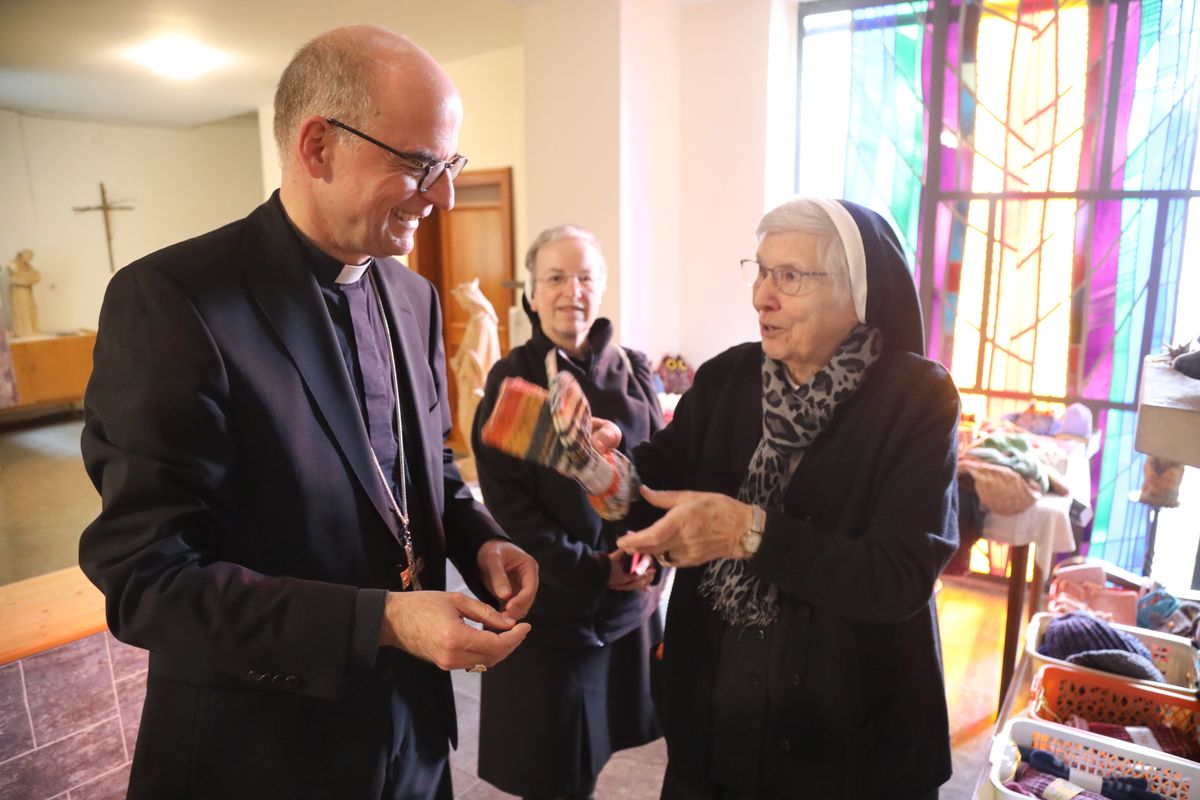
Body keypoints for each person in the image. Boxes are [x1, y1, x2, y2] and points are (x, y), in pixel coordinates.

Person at [78, 26, 538, 800]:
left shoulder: (412, 297)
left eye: (448, 164)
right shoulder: (176, 301)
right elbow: (147, 580)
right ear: (318, 146)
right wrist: (383, 621)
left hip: (413, 740)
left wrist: (479, 538)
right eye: (421, 165)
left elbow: (421, 473)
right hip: (261, 756)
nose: (445, 196)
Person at [485, 198, 960, 798]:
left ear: (855, 293)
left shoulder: (916, 399)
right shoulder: (729, 378)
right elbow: (649, 495)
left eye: (789, 277)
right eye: (760, 271)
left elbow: (898, 575)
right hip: (715, 717)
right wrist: (593, 462)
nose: (762, 296)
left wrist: (748, 533)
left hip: (847, 734)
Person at [471, 225, 666, 800]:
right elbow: (510, 508)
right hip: (553, 611)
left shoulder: (633, 370)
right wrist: (591, 568)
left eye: (584, 277)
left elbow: (658, 478)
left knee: (604, 745)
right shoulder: (512, 381)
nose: (570, 291)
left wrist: (650, 555)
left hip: (629, 605)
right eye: (555, 278)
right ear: (532, 294)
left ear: (601, 287)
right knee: (554, 770)